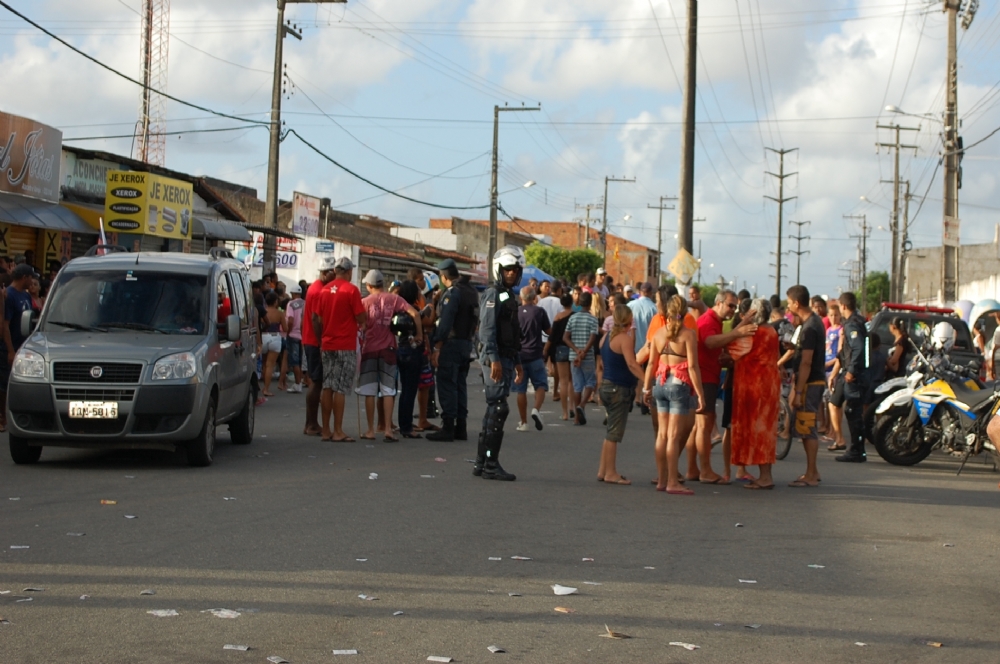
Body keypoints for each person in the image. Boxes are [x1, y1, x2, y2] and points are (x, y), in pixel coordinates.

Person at [692, 290, 757, 484]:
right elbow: (709, 342)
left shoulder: (715, 321)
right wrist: (737, 332)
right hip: (705, 377)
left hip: (708, 375)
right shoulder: (708, 321)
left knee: (699, 427)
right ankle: (704, 470)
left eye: (735, 307)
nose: (732, 310)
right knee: (704, 426)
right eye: (730, 305)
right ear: (718, 303)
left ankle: (693, 469)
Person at [474, 245, 526, 481]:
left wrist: (516, 360)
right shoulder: (493, 294)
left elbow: (511, 329)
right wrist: (493, 359)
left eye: (515, 270)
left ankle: (481, 462)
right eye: (507, 271)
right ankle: (490, 464)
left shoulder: (506, 295)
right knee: (498, 408)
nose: (511, 274)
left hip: (505, 357)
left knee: (494, 408)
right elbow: (487, 329)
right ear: (498, 270)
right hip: (494, 358)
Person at [644, 294, 705, 494]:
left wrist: (646, 388)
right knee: (673, 436)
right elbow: (693, 367)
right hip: (679, 385)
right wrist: (700, 394)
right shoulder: (688, 335)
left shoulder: (659, 334)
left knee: (661, 435)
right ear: (684, 312)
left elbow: (651, 363)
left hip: (660, 384)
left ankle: (662, 480)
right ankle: (672, 481)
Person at [358, 269, 422, 442]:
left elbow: (360, 324)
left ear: (369, 286)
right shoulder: (394, 299)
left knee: (370, 390)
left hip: (369, 349)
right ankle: (387, 429)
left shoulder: (364, 302)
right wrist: (419, 336)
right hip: (389, 349)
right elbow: (415, 314)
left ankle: (371, 430)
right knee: (388, 390)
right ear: (382, 284)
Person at [728, 298, 780, 490]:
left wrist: (741, 324)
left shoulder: (751, 332)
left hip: (752, 387)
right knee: (766, 430)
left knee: (757, 431)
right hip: (769, 385)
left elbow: (730, 350)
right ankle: (765, 475)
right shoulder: (771, 331)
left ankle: (765, 477)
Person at [314, 256, 366, 443]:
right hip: (345, 344)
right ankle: (338, 431)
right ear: (349, 271)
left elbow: (317, 318)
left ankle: (326, 430)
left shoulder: (324, 290)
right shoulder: (351, 290)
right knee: (341, 388)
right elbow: (361, 317)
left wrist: (321, 339)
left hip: (327, 343)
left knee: (327, 386)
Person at [427, 259, 479, 442]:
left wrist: (437, 346)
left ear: (443, 276)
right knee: (460, 385)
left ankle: (448, 427)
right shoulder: (471, 291)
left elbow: (446, 322)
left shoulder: (452, 293)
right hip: (466, 343)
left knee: (447, 384)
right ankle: (461, 427)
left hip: (451, 343)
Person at [595, 304, 645, 485]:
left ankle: (603, 470)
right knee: (614, 434)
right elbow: (632, 363)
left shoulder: (606, 338)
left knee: (609, 432)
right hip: (619, 388)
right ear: (629, 320)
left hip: (607, 386)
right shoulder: (624, 339)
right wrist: (646, 380)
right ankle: (611, 472)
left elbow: (602, 363)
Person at [786, 284, 828, 486]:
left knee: (807, 426)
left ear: (796, 303)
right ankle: (813, 471)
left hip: (810, 382)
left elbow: (806, 361)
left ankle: (810, 474)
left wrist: (799, 389)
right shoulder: (812, 323)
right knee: (805, 427)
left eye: (789, 303)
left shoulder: (810, 327)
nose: (788, 308)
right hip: (813, 381)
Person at [833, 291, 870, 463]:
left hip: (855, 376)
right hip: (854, 373)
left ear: (844, 306)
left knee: (853, 412)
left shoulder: (852, 325)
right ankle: (856, 448)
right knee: (841, 405)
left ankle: (857, 450)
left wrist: (851, 371)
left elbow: (858, 348)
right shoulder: (858, 321)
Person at [301, 258, 337, 435]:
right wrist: (321, 342)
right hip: (315, 342)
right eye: (333, 272)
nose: (335, 275)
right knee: (316, 382)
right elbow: (316, 318)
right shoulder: (317, 291)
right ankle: (312, 423)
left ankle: (311, 423)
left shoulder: (315, 288)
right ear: (325, 272)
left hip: (311, 340)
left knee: (317, 381)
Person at [514, 286, 550, 432]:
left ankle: (523, 422)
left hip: (519, 356)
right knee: (540, 385)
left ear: (521, 297)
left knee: (520, 390)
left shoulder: (515, 312)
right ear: (534, 297)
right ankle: (536, 409)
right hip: (535, 353)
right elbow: (548, 331)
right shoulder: (539, 312)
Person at [394, 280, 426, 439]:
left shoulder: (397, 310)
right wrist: (420, 334)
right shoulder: (412, 310)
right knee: (409, 390)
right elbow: (417, 317)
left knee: (405, 389)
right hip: (412, 352)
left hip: (400, 350)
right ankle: (406, 426)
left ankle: (404, 422)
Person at [564, 291, 599, 425]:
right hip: (587, 355)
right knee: (590, 382)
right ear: (590, 304)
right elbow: (593, 337)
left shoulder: (572, 318)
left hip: (574, 356)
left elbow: (565, 337)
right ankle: (582, 405)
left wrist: (576, 350)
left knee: (577, 386)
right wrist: (584, 351)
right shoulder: (593, 319)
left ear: (579, 303)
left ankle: (576, 418)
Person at [546, 294, 574, 421]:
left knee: (563, 381)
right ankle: (573, 408)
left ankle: (564, 413)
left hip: (560, 349)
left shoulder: (558, 317)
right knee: (572, 381)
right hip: (573, 348)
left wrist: (546, 350)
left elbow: (552, 337)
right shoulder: (575, 316)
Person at [824, 302, 846, 451]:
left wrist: (830, 365)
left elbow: (840, 352)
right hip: (826, 366)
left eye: (836, 315)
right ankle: (831, 430)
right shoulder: (828, 330)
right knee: (827, 401)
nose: (833, 318)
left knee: (834, 402)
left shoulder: (841, 330)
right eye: (831, 315)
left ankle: (836, 432)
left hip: (834, 368)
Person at [260, 291, 287, 397]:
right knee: (270, 365)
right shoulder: (279, 313)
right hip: (275, 337)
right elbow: (285, 328)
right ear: (276, 302)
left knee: (263, 364)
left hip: (263, 336)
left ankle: (262, 386)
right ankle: (266, 389)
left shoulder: (263, 311)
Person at [283, 282, 305, 393]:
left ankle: (297, 384)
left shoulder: (291, 304)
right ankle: (299, 381)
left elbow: (290, 320)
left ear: (293, 294)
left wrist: (288, 331)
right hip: (303, 336)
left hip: (293, 335)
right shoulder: (306, 303)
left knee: (294, 361)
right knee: (300, 361)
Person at [627, 282, 657, 354]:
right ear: (651, 293)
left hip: (630, 347)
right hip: (647, 349)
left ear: (640, 292)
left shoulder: (629, 305)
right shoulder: (655, 308)